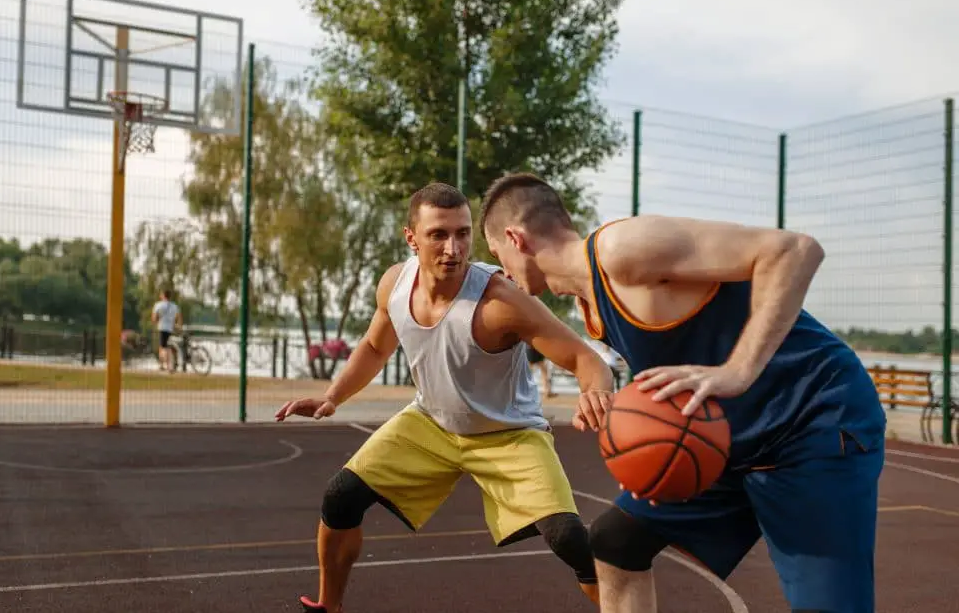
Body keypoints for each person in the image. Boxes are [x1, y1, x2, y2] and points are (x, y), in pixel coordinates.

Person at [478, 173, 887, 613]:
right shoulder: (591, 304)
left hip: (814, 422)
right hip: (735, 443)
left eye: (497, 255)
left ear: (515, 238)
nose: (502, 272)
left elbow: (795, 250)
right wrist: (640, 456)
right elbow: (675, 376)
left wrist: (737, 371)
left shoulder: (621, 249)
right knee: (616, 544)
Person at [276, 183, 617, 613]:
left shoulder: (501, 302)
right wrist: (332, 397)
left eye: (462, 233)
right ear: (411, 237)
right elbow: (375, 347)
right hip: (432, 422)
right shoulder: (395, 286)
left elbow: (588, 361)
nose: (453, 248)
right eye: (438, 234)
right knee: (341, 496)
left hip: (509, 435)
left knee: (569, 538)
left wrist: (597, 393)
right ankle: (329, 607)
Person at [151, 290, 182, 372]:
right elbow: (179, 317)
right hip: (170, 328)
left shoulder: (158, 305)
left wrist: (156, 323)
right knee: (164, 346)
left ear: (163, 295)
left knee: (163, 347)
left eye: (161, 294)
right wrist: (178, 326)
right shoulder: (174, 306)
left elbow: (154, 318)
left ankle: (169, 366)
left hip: (162, 327)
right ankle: (162, 365)